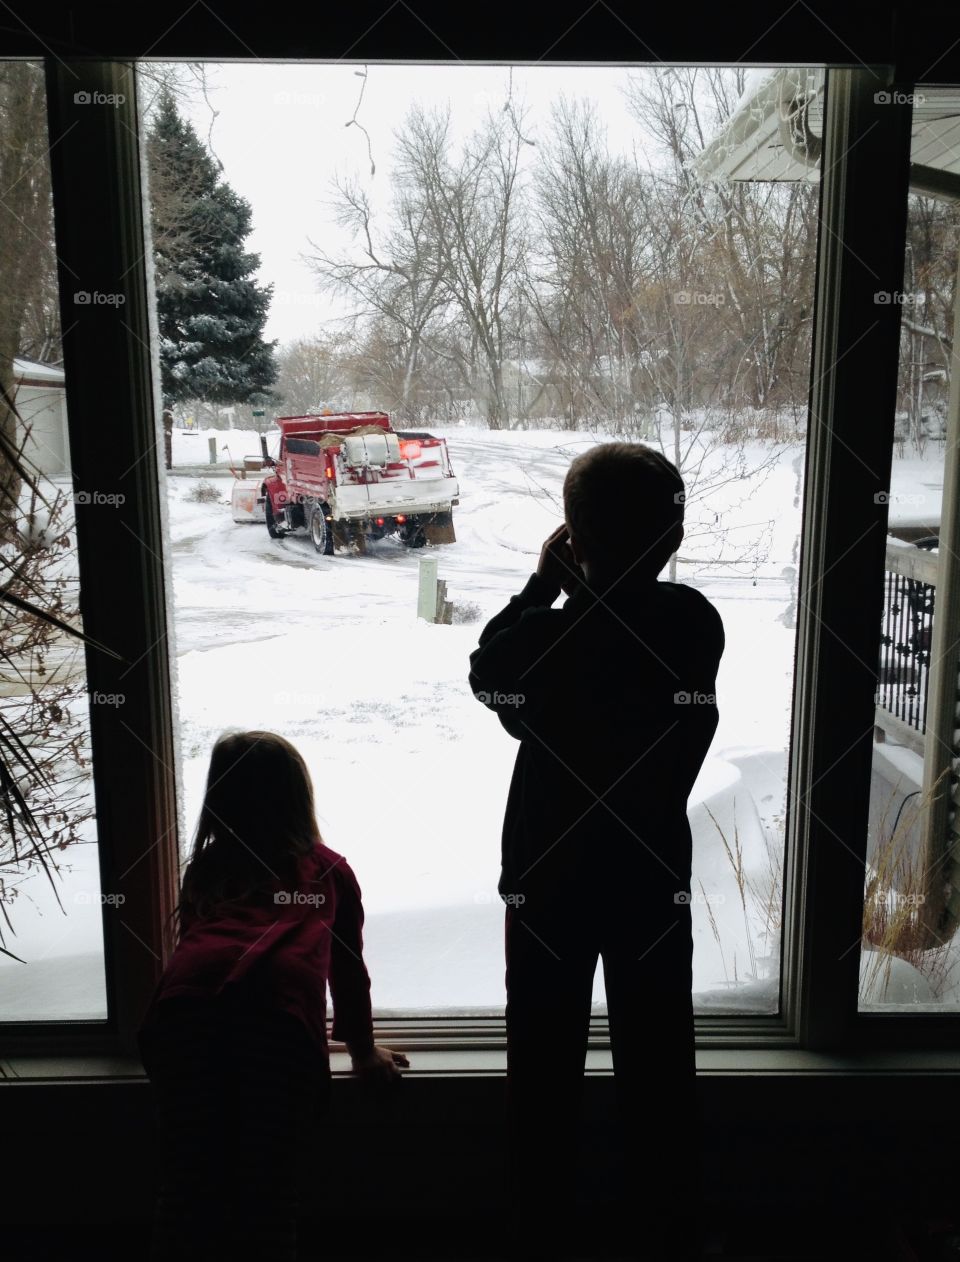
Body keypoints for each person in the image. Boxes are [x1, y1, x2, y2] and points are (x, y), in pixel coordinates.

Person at [469, 444, 724, 1261]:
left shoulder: (547, 640)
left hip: (547, 881)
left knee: (542, 1073)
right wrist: (590, 580)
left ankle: (538, 1231)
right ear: (672, 537)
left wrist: (544, 585)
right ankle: (667, 1230)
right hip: (650, 877)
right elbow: (626, 635)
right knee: (659, 1066)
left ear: (572, 539)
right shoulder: (693, 623)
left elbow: (489, 674)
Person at [138, 730, 407, 1262]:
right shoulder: (328, 870)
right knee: (269, 1187)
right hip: (273, 1024)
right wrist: (361, 1051)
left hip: (182, 1017)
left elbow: (195, 945)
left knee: (188, 1181)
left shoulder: (208, 867)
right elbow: (347, 971)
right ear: (299, 797)